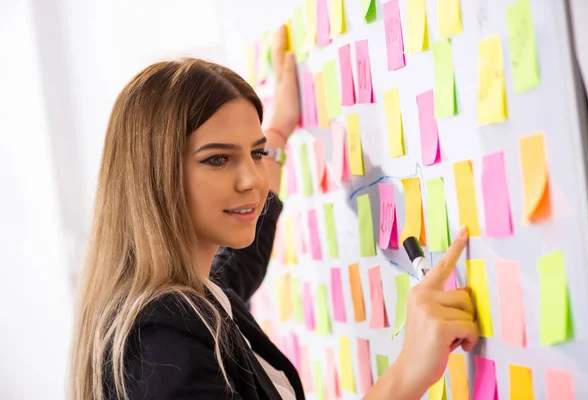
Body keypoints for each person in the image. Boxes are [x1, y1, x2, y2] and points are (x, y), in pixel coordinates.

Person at [69, 25, 478, 400]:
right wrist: (407, 374)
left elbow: (244, 258)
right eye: (217, 160)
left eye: (257, 153)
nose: (253, 180)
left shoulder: (195, 291)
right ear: (154, 177)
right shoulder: (159, 345)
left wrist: (280, 129)